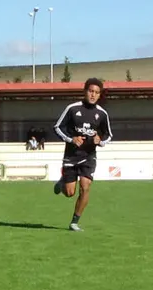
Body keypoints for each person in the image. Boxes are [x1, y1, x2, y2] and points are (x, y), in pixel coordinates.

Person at [52, 77, 113, 232]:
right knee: (69, 192)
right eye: (91, 91)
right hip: (71, 156)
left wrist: (101, 140)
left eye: (97, 92)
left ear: (100, 95)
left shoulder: (102, 114)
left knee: (85, 187)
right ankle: (63, 181)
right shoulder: (72, 108)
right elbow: (58, 127)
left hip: (89, 156)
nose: (93, 95)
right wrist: (71, 139)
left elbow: (109, 135)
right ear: (85, 91)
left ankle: (74, 222)